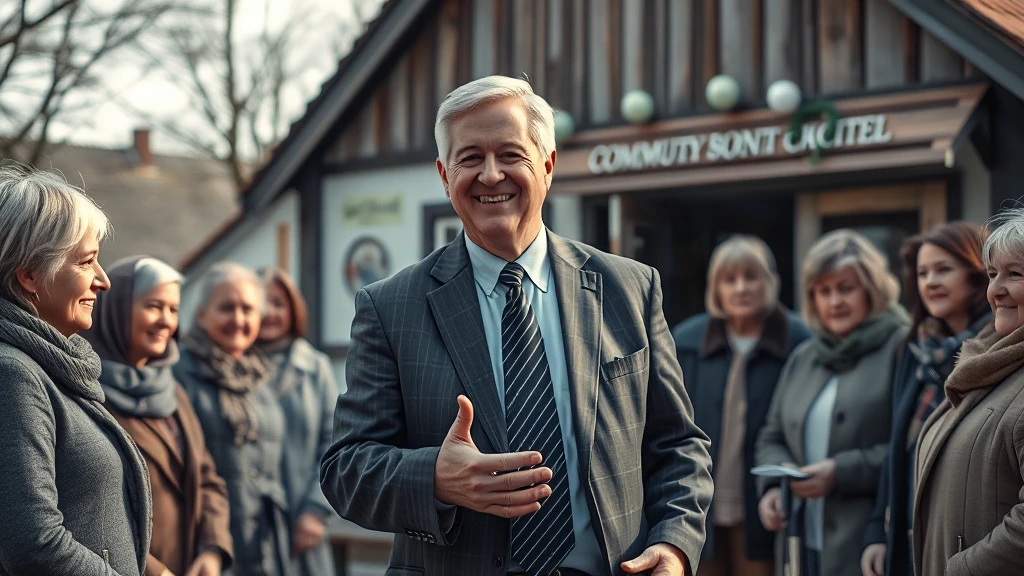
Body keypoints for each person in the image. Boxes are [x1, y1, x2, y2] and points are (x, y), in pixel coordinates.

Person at [320, 75, 714, 576]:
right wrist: (436, 479)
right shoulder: (390, 306)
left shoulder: (630, 289)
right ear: (444, 175)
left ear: (547, 166)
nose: (490, 175)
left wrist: (674, 545)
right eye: (469, 158)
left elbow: (678, 445)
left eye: (510, 155)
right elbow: (345, 469)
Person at [0, 163, 151, 575]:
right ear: (30, 275)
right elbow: (33, 544)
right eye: (86, 262)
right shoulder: (14, 375)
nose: (103, 280)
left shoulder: (51, 367)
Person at [755, 229, 909, 576]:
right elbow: (772, 434)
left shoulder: (903, 348)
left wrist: (841, 473)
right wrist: (771, 488)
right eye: (824, 291)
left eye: (846, 288)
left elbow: (915, 448)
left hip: (868, 545)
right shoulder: (804, 355)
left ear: (871, 289)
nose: (835, 301)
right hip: (799, 538)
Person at [83, 256, 234, 576]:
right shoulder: (87, 391)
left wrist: (212, 548)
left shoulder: (170, 390)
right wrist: (154, 571)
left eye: (174, 310)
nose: (166, 320)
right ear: (118, 309)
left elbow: (207, 478)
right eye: (154, 306)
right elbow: (87, 508)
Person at [673, 235, 811, 576]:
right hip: (697, 504)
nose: (741, 288)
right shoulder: (687, 341)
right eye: (729, 279)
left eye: (752, 277)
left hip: (765, 504)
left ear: (771, 282)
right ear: (715, 289)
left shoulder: (799, 341)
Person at [860, 223, 989, 576]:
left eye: (943, 269)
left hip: (964, 541)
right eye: (922, 272)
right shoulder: (914, 350)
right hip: (908, 531)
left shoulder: (994, 350)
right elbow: (895, 447)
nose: (930, 281)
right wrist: (877, 532)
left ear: (978, 274)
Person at [913, 209, 1024, 576]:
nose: (996, 289)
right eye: (993, 274)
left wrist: (963, 568)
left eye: (1015, 274)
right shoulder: (986, 362)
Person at [175, 262, 292, 576]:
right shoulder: (178, 374)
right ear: (201, 315)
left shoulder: (260, 378)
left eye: (248, 309)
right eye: (227, 308)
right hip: (206, 547)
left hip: (266, 547)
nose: (239, 320)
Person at [255, 267, 337, 576]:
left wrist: (316, 511)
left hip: (303, 521)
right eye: (260, 302)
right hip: (247, 525)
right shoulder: (231, 365)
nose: (268, 312)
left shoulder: (315, 367)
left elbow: (334, 442)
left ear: (293, 308)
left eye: (278, 303)